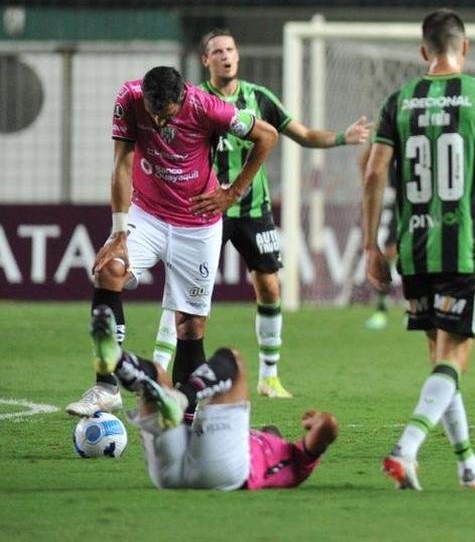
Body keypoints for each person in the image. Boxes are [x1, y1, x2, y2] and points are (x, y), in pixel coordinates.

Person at [151, 30, 372, 398]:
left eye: (230, 49)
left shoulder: (260, 98)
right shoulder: (194, 101)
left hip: (253, 208)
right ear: (206, 60)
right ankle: (159, 365)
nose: (226, 56)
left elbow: (302, 134)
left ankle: (269, 376)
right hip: (208, 207)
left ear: (238, 56)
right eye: (217, 51)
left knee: (270, 287)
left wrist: (341, 138)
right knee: (185, 289)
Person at [363, 9, 475, 491]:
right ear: (465, 47)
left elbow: (373, 174)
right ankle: (406, 448)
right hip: (461, 248)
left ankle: (467, 464)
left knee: (439, 356)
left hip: (414, 249)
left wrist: (371, 245)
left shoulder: (399, 101)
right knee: (456, 358)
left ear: (423, 51)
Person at [67, 66, 278, 418]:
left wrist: (233, 193)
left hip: (197, 224)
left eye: (166, 115)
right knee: (108, 270)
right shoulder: (129, 98)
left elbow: (267, 135)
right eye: (153, 113)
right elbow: (122, 164)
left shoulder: (208, 107)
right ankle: (106, 387)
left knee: (190, 325)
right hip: (147, 214)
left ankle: (185, 415)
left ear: (182, 98)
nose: (158, 121)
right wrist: (119, 233)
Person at [90, 304, 337, 490]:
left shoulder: (290, 456)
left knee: (233, 359)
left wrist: (320, 421)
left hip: (227, 469)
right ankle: (117, 360)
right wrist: (319, 424)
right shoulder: (281, 457)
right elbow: (323, 434)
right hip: (173, 474)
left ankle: (181, 397)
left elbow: (328, 427)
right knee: (158, 380)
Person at [359, 142, 400, 329]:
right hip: (400, 204)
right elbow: (364, 161)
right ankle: (381, 308)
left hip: (422, 202)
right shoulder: (389, 138)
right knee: (390, 252)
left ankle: (417, 307)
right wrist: (370, 190)